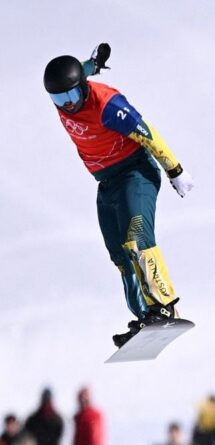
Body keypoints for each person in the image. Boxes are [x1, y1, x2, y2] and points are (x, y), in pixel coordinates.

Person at [43, 43, 194, 347]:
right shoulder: (68, 95)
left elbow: (147, 132)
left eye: (71, 96)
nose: (68, 105)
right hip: (107, 183)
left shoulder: (107, 105)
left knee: (136, 237)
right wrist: (92, 63)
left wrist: (175, 170)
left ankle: (164, 305)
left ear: (82, 88)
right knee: (119, 253)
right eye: (59, 99)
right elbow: (81, 72)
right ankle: (145, 316)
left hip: (135, 173)